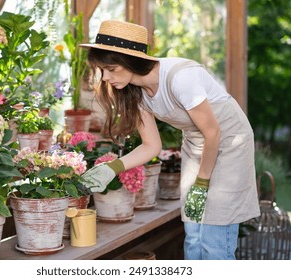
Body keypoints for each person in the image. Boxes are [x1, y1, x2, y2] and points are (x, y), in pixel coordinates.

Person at [80, 19, 260, 260]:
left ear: (130, 60)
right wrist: (112, 168)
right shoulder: (136, 94)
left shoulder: (179, 77)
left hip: (229, 142)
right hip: (197, 144)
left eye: (111, 69)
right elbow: (152, 145)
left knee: (213, 238)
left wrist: (202, 183)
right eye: (102, 70)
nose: (105, 78)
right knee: (194, 234)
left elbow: (213, 132)